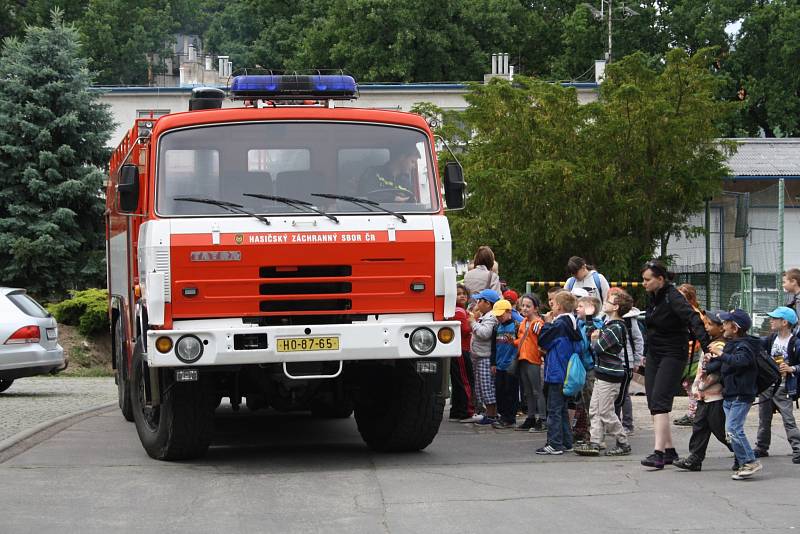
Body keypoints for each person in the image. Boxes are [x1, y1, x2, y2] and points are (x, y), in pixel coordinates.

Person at [640, 260, 710, 470]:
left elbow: (694, 319)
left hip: (673, 353)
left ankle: (659, 454)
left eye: (647, 279)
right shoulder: (654, 297)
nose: (643, 283)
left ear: (660, 279)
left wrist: (707, 347)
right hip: (655, 353)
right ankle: (669, 450)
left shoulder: (673, 297)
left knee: (660, 401)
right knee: (654, 401)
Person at [574, 290, 635, 456]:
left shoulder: (616, 327)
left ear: (615, 307)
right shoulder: (609, 324)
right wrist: (589, 321)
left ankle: (623, 442)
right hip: (602, 373)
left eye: (609, 301)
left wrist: (595, 339)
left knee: (606, 411)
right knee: (594, 409)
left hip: (610, 375)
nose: (605, 303)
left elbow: (598, 347)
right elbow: (591, 334)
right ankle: (596, 441)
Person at [705, 309, 763, 480]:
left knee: (733, 429)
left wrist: (720, 354)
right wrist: (712, 362)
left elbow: (739, 362)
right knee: (730, 431)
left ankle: (750, 461)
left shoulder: (745, 346)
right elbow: (725, 364)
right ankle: (743, 460)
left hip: (741, 394)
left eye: (725, 323)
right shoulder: (732, 343)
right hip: (730, 394)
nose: (722, 325)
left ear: (735, 328)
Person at [673, 311, 734, 472]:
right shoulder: (713, 344)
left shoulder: (720, 346)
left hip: (714, 397)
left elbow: (715, 373)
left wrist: (700, 386)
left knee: (720, 430)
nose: (706, 327)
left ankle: (743, 454)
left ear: (721, 328)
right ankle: (695, 458)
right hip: (704, 397)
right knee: (700, 427)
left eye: (710, 325)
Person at [536, 291, 582, 455]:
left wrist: (547, 323)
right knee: (561, 409)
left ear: (560, 307)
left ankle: (554, 443)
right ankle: (566, 441)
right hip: (566, 371)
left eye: (553, 303)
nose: (551, 306)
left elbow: (543, 340)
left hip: (557, 372)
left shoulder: (559, 324)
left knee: (554, 409)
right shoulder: (572, 322)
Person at [754, 306, 800, 464]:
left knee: (788, 419)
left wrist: (792, 368)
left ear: (785, 322)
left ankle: (798, 449)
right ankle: (761, 447)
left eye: (774, 318)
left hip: (784, 387)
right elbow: (757, 345)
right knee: (763, 419)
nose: (771, 320)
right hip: (768, 386)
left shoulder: (795, 342)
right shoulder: (771, 339)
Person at [609, 287, 645, 435]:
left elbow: (638, 339)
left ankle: (627, 424)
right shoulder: (608, 318)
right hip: (613, 361)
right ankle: (615, 423)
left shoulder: (630, 319)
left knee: (624, 394)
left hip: (626, 361)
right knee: (615, 393)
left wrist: (637, 360)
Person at [673, 284, 706, 427]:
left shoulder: (693, 314)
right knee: (689, 385)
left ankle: (695, 414)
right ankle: (693, 413)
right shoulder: (685, 312)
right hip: (687, 353)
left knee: (693, 385)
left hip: (693, 355)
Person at [572, 296, 603, 444]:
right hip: (582, 367)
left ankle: (595, 435)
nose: (577, 308)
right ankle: (587, 432)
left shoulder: (596, 325)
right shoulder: (578, 323)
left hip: (591, 367)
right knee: (583, 402)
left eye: (580, 306)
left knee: (592, 402)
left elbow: (587, 346)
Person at [514, 294, 546, 432]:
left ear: (536, 308)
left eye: (528, 306)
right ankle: (531, 417)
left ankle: (542, 419)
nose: (525, 308)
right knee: (528, 391)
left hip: (533, 359)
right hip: (523, 358)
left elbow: (541, 341)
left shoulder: (538, 323)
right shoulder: (523, 322)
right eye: (523, 305)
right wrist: (513, 342)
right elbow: (522, 341)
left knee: (536, 390)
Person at [469, 289, 501, 425]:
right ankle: (489, 413)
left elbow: (485, 333)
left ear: (487, 303)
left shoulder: (491, 316)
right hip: (479, 357)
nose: (477, 303)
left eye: (479, 301)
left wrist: (472, 322)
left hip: (485, 357)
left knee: (487, 387)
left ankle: (491, 414)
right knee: (481, 387)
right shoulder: (485, 315)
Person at [491, 299, 520, 429]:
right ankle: (503, 416)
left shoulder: (517, 325)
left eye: (501, 314)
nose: (499, 317)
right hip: (499, 364)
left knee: (511, 392)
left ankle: (510, 418)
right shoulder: (496, 327)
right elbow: (493, 347)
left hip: (511, 364)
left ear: (509, 312)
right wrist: (493, 363)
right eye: (497, 315)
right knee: (499, 391)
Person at [450, 284, 475, 422]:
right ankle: (467, 411)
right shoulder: (460, 311)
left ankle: (457, 411)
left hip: (457, 351)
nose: (462, 296)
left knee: (458, 381)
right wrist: (471, 321)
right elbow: (465, 330)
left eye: (464, 293)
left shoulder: (456, 311)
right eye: (458, 293)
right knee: (466, 381)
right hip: (462, 350)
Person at [782, 269, 800, 334]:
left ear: (793, 282)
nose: (783, 285)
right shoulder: (792, 296)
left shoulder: (798, 300)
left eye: (784, 282)